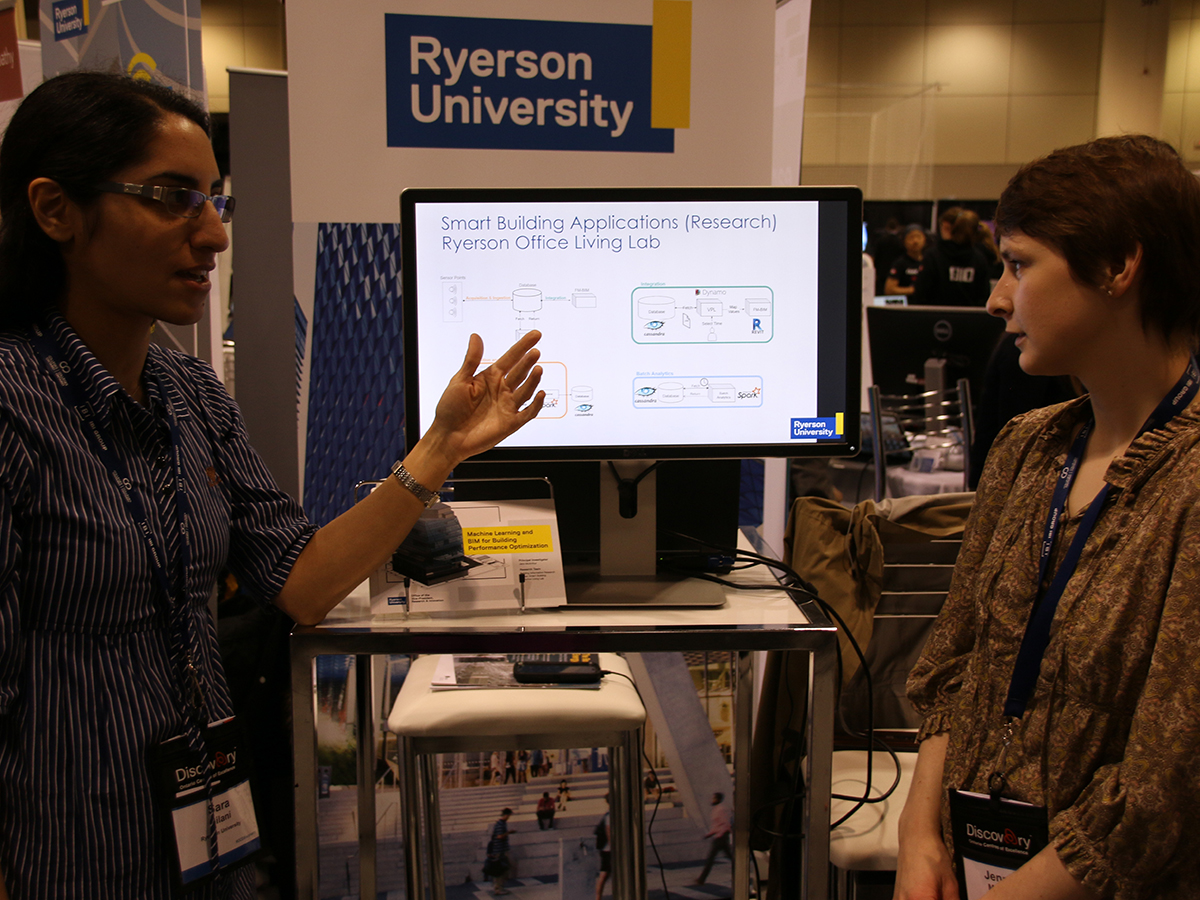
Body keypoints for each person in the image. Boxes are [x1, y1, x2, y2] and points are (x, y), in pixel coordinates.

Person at [0, 71, 545, 899]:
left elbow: (305, 581)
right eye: (173, 198)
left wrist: (439, 449)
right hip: (67, 860)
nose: (214, 234)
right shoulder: (14, 407)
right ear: (55, 210)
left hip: (210, 846)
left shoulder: (191, 396)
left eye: (213, 200)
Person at [895, 134, 1200, 900]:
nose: (997, 298)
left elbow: (1165, 786)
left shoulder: (1189, 484)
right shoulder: (1028, 449)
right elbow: (954, 661)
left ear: (1117, 267)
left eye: (1020, 265)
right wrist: (919, 837)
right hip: (970, 861)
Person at [911, 208, 992, 306]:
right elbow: (984, 296)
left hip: (935, 314)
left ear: (947, 228)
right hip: (970, 314)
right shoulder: (979, 258)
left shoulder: (933, 255)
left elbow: (921, 294)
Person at [694, 791, 733, 885]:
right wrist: (710, 834)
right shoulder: (716, 809)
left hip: (721, 837)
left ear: (718, 799)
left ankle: (701, 879)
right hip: (719, 836)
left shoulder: (721, 809)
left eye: (714, 798)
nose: (712, 800)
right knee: (729, 857)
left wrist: (720, 833)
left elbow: (725, 823)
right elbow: (716, 825)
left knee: (710, 859)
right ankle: (701, 879)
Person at [884, 224, 926, 297]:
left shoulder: (929, 262)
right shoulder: (900, 263)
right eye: (911, 237)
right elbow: (889, 289)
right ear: (904, 241)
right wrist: (913, 290)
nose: (915, 241)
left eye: (918, 237)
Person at [485, 808, 515, 896]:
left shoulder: (501, 824)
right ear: (506, 815)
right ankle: (498, 888)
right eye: (509, 815)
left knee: (502, 869)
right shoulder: (500, 824)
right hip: (499, 851)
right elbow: (499, 836)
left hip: (501, 850)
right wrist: (508, 832)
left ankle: (499, 887)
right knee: (500, 870)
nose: (509, 817)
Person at [593, 796, 611, 900]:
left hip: (607, 849)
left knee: (605, 874)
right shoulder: (610, 816)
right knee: (604, 874)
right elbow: (608, 831)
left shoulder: (609, 814)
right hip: (608, 850)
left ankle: (598, 897)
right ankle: (597, 897)